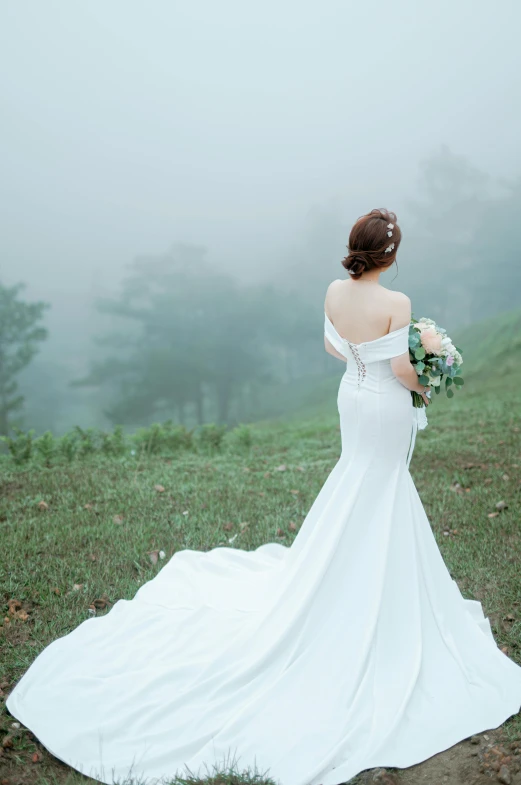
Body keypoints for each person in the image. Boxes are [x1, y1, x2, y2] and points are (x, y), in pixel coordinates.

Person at [6, 209, 521, 785]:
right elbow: (401, 366)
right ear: (391, 256)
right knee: (380, 485)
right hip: (383, 403)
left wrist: (367, 357)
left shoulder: (333, 289)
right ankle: (375, 589)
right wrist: (428, 379)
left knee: (360, 480)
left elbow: (334, 349)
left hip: (351, 398)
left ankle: (353, 571)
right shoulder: (397, 305)